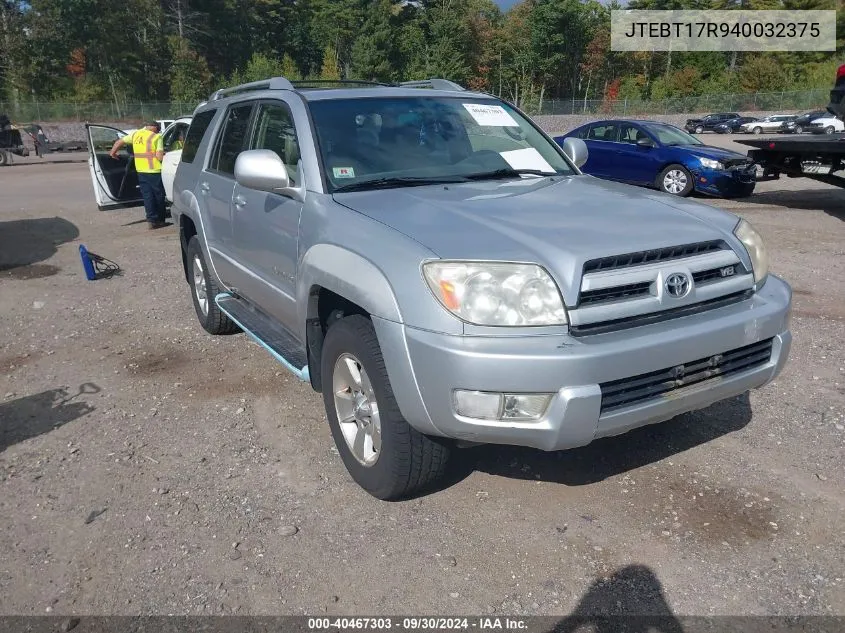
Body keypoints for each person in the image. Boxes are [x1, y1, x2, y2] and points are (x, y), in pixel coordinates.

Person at [108, 121, 167, 229]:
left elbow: (119, 142)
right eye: (158, 129)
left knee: (147, 196)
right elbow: (159, 157)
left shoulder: (135, 134)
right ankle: (160, 220)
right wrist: (165, 156)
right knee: (159, 196)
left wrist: (113, 153)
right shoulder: (156, 137)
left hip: (141, 171)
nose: (158, 131)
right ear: (154, 128)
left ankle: (151, 220)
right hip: (154, 171)